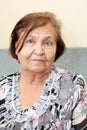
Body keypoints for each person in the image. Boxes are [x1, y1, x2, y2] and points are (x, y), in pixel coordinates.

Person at [0, 12, 87, 130]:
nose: (39, 51)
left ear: (57, 49)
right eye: (30, 41)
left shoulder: (75, 86)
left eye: (47, 43)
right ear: (16, 47)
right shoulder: (2, 86)